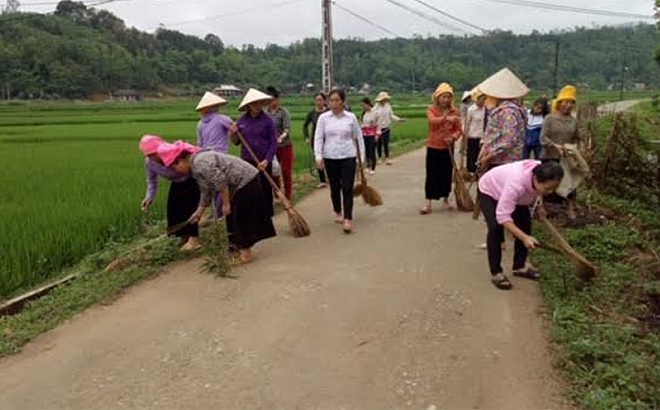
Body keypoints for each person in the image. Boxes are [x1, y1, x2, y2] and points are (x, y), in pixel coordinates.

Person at [159, 141, 276, 265]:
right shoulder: (195, 167)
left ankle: (246, 255)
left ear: (181, 161)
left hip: (246, 182)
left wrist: (226, 203)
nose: (177, 171)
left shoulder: (200, 162)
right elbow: (205, 190)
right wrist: (198, 212)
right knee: (231, 219)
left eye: (175, 167)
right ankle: (236, 250)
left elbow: (220, 181)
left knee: (239, 218)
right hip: (239, 185)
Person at [478, 160, 564, 290]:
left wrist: (539, 206)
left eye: (553, 189)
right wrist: (524, 238)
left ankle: (519, 266)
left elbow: (538, 191)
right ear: (535, 179)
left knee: (524, 223)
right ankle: (497, 272)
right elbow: (503, 217)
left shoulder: (539, 172)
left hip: (518, 196)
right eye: (547, 188)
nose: (550, 192)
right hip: (490, 190)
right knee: (496, 227)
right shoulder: (516, 184)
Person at [314, 89, 365, 234]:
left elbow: (358, 137)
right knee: (335, 187)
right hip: (330, 157)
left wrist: (361, 157)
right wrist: (318, 156)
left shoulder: (351, 118)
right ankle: (338, 210)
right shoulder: (324, 118)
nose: (334, 103)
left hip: (348, 156)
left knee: (347, 187)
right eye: (331, 100)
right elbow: (318, 138)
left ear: (343, 101)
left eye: (337, 100)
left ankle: (348, 218)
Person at [139, 135, 201, 252]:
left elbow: (195, 161)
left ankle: (194, 240)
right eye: (148, 155)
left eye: (153, 154)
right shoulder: (149, 163)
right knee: (174, 210)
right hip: (177, 183)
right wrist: (149, 197)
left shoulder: (174, 153)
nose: (152, 157)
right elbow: (152, 181)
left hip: (193, 179)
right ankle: (182, 237)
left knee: (191, 209)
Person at [229, 88, 278, 218]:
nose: (257, 106)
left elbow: (273, 143)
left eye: (259, 103)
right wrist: (233, 133)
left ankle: (267, 216)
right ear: (249, 105)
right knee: (250, 188)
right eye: (254, 103)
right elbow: (236, 142)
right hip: (247, 160)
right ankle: (252, 215)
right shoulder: (242, 121)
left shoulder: (268, 120)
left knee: (265, 188)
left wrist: (267, 160)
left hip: (263, 160)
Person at [420, 83, 463, 215]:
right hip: (433, 146)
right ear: (437, 97)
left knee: (446, 174)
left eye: (448, 97)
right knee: (432, 174)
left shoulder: (455, 111)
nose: (446, 100)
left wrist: (453, 137)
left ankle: (445, 200)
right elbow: (433, 121)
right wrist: (446, 117)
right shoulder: (431, 109)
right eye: (443, 97)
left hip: (447, 147)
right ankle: (428, 202)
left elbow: (459, 130)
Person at [477, 68, 529, 171]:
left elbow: (508, 140)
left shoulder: (508, 112)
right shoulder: (500, 110)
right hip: (496, 159)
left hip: (504, 162)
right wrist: (484, 150)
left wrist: (489, 155)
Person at [541, 85, 580, 219]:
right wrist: (554, 145)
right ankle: (544, 209)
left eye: (571, 103)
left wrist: (577, 149)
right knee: (547, 184)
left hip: (566, 158)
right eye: (566, 102)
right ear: (559, 103)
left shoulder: (574, 121)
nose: (568, 105)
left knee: (569, 183)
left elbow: (577, 138)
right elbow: (543, 138)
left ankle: (570, 208)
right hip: (550, 156)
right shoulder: (550, 119)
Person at [196, 91, 233, 217]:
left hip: (204, 158)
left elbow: (199, 144)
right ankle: (220, 214)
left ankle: (215, 214)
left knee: (209, 187)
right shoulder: (223, 119)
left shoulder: (200, 123)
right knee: (221, 186)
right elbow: (235, 131)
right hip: (220, 157)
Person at [266, 86, 294, 200]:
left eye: (272, 99)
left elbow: (287, 128)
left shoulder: (283, 112)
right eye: (268, 100)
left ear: (277, 99)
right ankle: (277, 195)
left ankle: (288, 196)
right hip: (272, 147)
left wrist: (281, 137)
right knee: (274, 172)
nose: (270, 102)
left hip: (285, 145)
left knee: (286, 171)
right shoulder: (265, 113)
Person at [303, 92, 329, 188]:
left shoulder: (329, 112)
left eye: (320, 100)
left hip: (328, 138)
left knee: (328, 158)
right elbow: (305, 125)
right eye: (317, 100)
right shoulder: (312, 113)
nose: (318, 102)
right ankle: (322, 180)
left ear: (324, 101)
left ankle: (331, 176)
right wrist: (306, 137)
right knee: (318, 158)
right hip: (316, 139)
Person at [372, 91, 404, 165]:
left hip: (386, 127)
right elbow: (373, 118)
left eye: (385, 99)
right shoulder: (375, 108)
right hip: (378, 128)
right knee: (379, 143)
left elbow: (391, 115)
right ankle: (379, 157)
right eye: (383, 99)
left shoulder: (388, 106)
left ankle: (387, 158)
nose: (384, 101)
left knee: (386, 143)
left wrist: (399, 119)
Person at [462, 90, 487, 173]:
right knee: (471, 156)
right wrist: (465, 140)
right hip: (473, 137)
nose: (484, 101)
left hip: (483, 138)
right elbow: (467, 125)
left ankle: (479, 173)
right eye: (483, 99)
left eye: (485, 99)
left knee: (480, 157)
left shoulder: (486, 110)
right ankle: (471, 173)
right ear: (477, 99)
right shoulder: (471, 110)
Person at [360, 97, 380, 175]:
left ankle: (373, 168)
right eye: (362, 106)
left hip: (373, 135)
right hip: (365, 135)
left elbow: (378, 125)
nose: (363, 107)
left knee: (372, 151)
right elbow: (363, 124)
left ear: (368, 104)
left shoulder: (375, 113)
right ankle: (368, 166)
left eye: (364, 105)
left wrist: (377, 135)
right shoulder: (364, 114)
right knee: (367, 151)